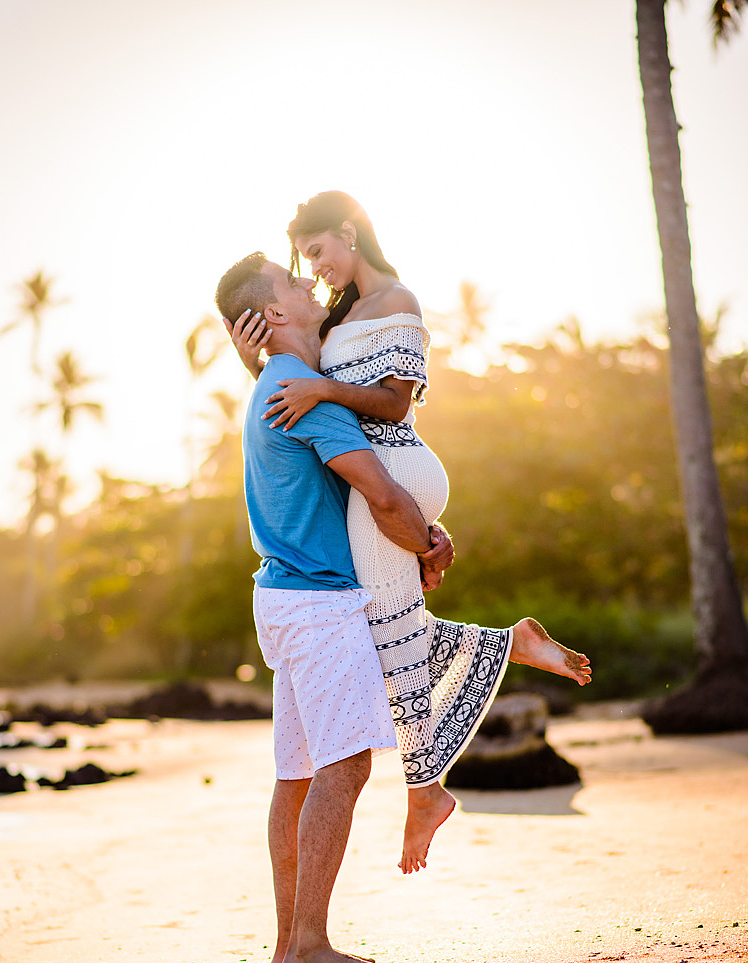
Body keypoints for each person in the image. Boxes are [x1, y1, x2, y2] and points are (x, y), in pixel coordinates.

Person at [226, 192, 592, 875]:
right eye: (303, 264)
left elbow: (392, 402)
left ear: (348, 232)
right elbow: (296, 384)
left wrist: (413, 521)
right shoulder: (332, 319)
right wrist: (253, 358)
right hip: (382, 489)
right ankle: (499, 659)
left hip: (391, 473)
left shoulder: (399, 301)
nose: (316, 271)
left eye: (318, 253)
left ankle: (426, 788)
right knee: (389, 626)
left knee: (390, 628)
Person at [215, 251, 451, 963]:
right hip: (318, 602)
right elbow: (379, 493)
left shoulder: (275, 384)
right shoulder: (304, 394)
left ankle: (291, 948)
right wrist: (429, 544)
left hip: (284, 599)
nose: (309, 281)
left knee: (297, 776)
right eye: (292, 282)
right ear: (276, 315)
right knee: (343, 765)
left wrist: (249, 353)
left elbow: (285, 374)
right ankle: (310, 947)